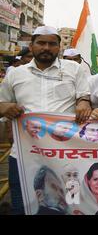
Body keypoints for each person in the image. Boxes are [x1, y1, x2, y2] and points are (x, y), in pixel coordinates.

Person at [0, 25, 91, 215]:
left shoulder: (74, 69)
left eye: (52, 44)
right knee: (23, 204)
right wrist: (6, 107)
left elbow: (84, 96)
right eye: (41, 43)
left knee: (70, 203)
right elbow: (1, 104)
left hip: (66, 155)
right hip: (24, 154)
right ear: (31, 45)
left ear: (59, 47)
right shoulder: (16, 74)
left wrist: (83, 103)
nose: (46, 48)